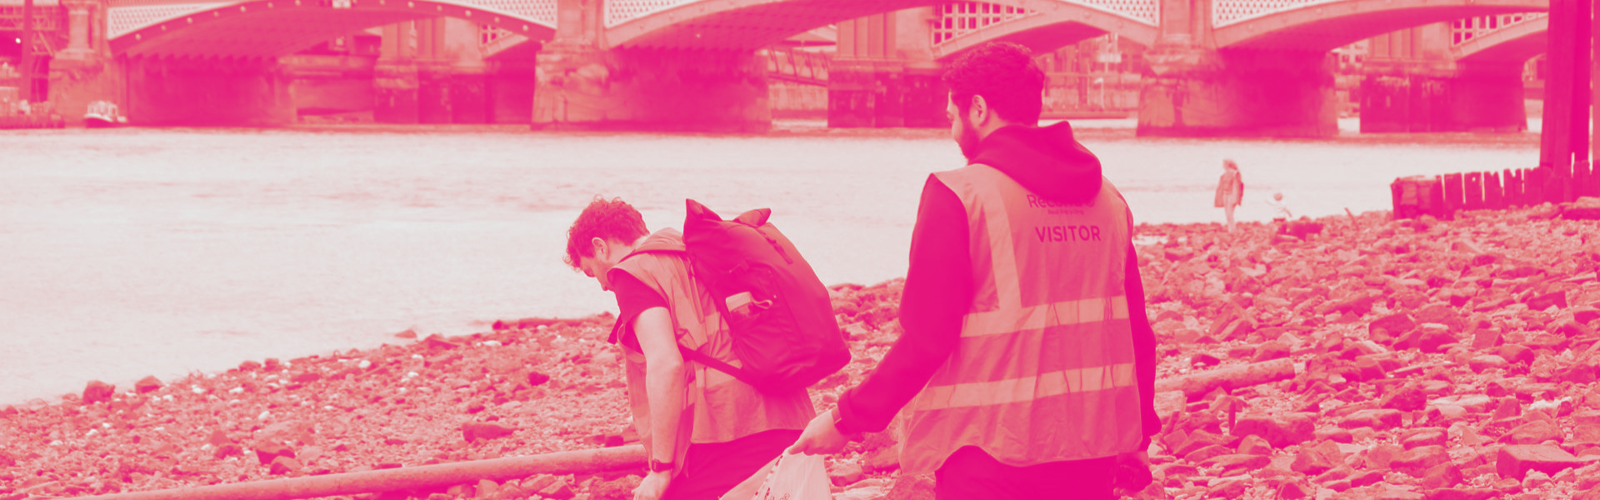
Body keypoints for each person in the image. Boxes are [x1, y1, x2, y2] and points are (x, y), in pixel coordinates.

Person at [786, 42, 1160, 500]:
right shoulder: (1108, 199)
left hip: (988, 453)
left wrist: (847, 418)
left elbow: (927, 339)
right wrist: (1139, 435)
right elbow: (1136, 331)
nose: (952, 129)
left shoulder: (959, 195)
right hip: (1090, 452)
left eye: (952, 116)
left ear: (978, 109)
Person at [564, 197, 815, 500]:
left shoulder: (633, 272)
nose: (603, 286)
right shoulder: (692, 251)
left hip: (730, 424)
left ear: (600, 247)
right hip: (790, 409)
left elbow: (666, 365)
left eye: (593, 273)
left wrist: (660, 469)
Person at [1215, 159, 1244, 232]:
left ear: (1228, 165)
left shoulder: (1235, 173)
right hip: (1225, 195)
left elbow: (1236, 187)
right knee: (1227, 214)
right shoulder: (1224, 174)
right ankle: (1230, 229)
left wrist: (1235, 198)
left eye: (1224, 164)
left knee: (1229, 214)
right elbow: (1221, 187)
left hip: (1231, 195)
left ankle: (1233, 230)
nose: (1223, 166)